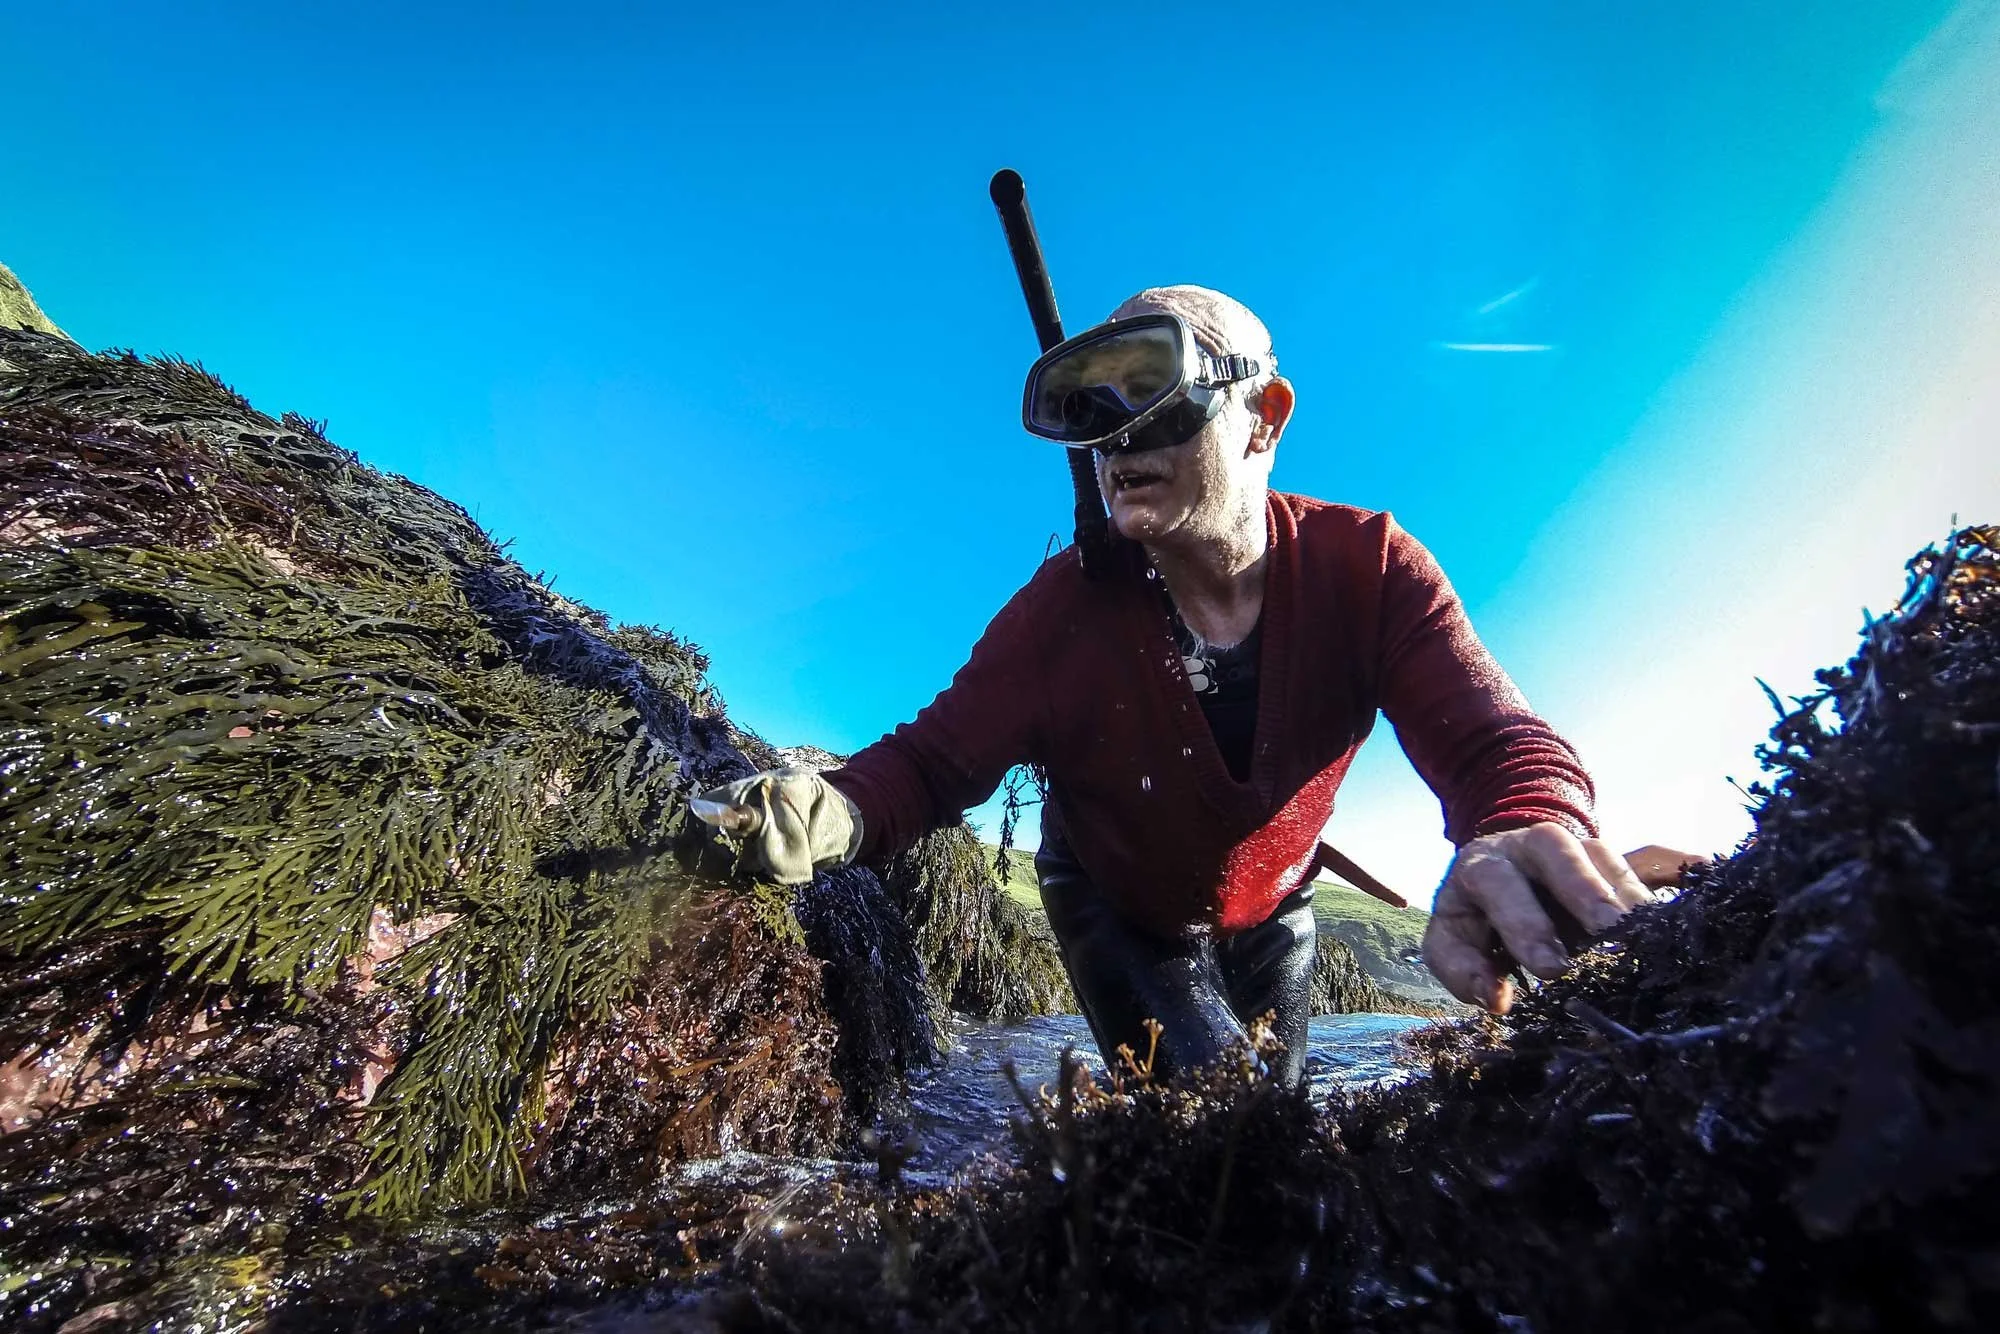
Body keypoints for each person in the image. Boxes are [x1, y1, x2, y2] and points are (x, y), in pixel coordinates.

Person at [692, 285, 1680, 1087]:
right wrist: (824, 813)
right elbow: (929, 763)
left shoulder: (1367, 568)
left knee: (1280, 1128)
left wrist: (1517, 821)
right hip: (1114, 910)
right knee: (1212, 1133)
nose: (1119, 436)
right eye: (1089, 404)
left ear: (1263, 416)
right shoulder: (1059, 616)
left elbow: (1490, 739)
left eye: (1151, 385)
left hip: (1276, 905)